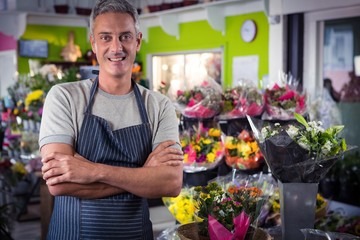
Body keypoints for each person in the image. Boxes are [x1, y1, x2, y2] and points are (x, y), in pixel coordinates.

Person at [39, 0, 184, 239]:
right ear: (93, 43)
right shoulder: (64, 97)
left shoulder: (158, 105)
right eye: (106, 37)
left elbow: (170, 183)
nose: (116, 48)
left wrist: (91, 171)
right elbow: (58, 183)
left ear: (137, 41)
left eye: (125, 36)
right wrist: (142, 175)